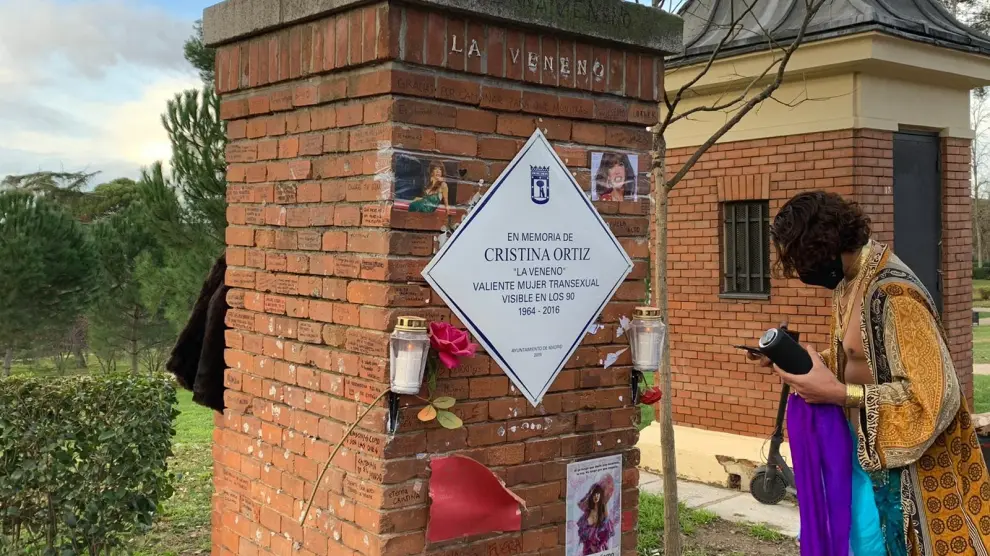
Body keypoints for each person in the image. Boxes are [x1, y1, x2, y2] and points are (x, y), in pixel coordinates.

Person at [755, 191, 990, 555]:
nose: (801, 273)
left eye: (801, 260)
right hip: (863, 457)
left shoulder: (894, 294)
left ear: (823, 246)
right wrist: (798, 361)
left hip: (909, 478)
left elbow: (934, 399)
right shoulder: (851, 282)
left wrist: (839, 394)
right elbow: (862, 360)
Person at [576, 482, 615, 555]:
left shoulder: (603, 516)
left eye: (598, 494)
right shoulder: (586, 516)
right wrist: (590, 544)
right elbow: (583, 534)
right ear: (591, 496)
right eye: (594, 494)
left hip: (601, 550)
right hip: (588, 550)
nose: (596, 496)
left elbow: (607, 530)